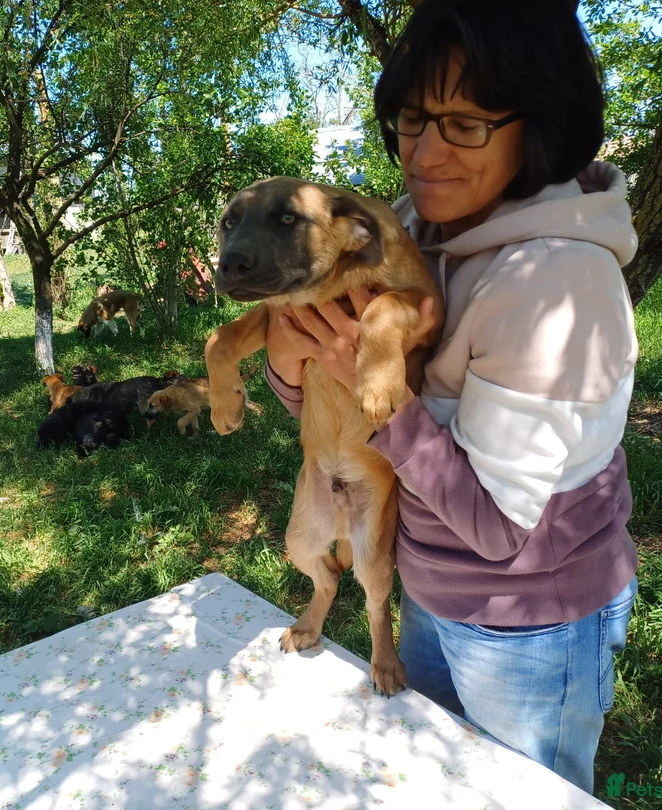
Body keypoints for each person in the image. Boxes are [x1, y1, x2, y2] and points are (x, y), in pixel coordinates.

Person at [263, 0, 639, 794]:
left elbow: (499, 530)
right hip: (425, 585)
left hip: (525, 622)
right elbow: (336, 416)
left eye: (466, 123)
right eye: (410, 118)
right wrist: (299, 362)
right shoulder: (410, 226)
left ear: (539, 122)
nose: (424, 154)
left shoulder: (555, 281)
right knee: (427, 783)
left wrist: (383, 397)